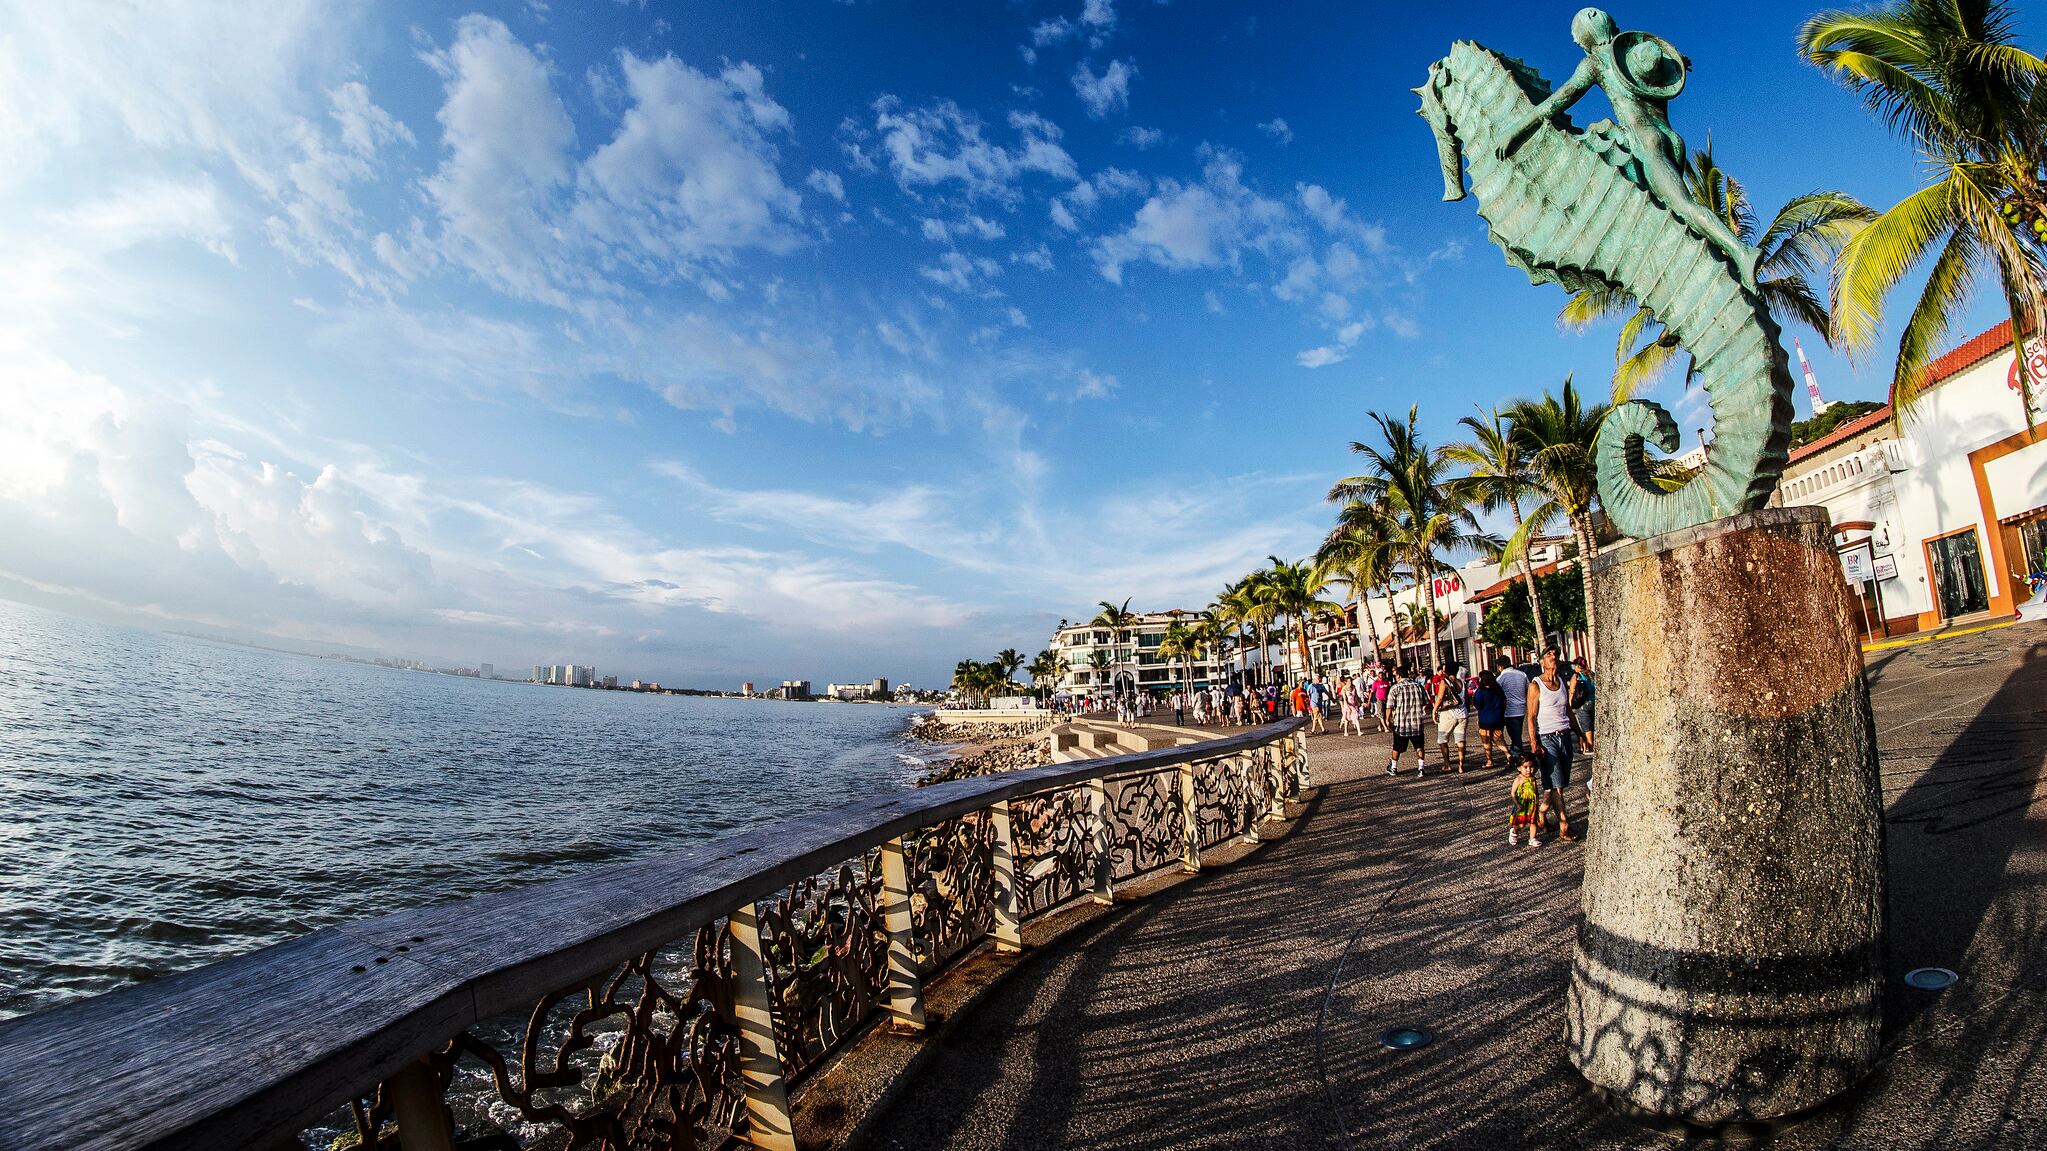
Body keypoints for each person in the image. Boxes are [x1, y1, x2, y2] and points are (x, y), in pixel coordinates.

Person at [1525, 646, 1579, 842]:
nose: (1553, 657)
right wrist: (1533, 743)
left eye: (1555, 654)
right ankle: (1564, 826)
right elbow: (1530, 717)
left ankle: (1541, 814)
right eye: (1548, 655)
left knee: (1558, 785)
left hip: (1565, 736)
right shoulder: (1536, 685)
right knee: (1556, 786)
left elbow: (1569, 711)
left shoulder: (1562, 682)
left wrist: (1580, 734)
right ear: (1541, 661)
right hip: (1547, 739)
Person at [1384, 665, 1431, 778]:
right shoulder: (1418, 686)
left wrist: (1387, 720)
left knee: (1397, 747)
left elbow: (1389, 706)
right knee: (1419, 746)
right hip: (1417, 722)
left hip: (1401, 724)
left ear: (1399, 675)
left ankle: (1394, 767)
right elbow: (1426, 702)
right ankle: (1421, 768)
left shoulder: (1395, 688)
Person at [1431, 662, 1468, 772]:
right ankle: (1461, 765)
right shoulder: (1462, 682)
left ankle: (1447, 764)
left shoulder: (1444, 681)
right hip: (1462, 713)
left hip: (1449, 713)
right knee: (1460, 740)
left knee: (1442, 740)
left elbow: (1440, 698)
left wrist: (1434, 711)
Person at [1472, 668, 1507, 769]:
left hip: (1485, 719)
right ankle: (1508, 755)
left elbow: (1477, 704)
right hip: (1498, 718)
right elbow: (1504, 701)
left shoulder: (1481, 691)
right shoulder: (1498, 689)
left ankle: (1490, 760)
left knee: (1486, 741)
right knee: (1499, 739)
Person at [1496, 658, 1530, 762]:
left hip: (1509, 710)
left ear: (1500, 666)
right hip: (1521, 708)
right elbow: (1528, 688)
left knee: (1515, 735)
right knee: (1517, 732)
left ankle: (1517, 756)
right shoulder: (1522, 674)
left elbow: (1498, 693)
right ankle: (1516, 751)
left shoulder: (1501, 678)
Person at [1509, 756, 1542, 847]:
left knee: (1533, 821)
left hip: (1532, 805)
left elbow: (1535, 791)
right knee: (1521, 824)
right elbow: (1513, 793)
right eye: (1525, 767)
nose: (1529, 770)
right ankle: (1514, 832)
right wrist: (1517, 804)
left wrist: (1537, 801)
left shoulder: (1533, 778)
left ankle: (1532, 838)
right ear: (1519, 768)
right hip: (1522, 805)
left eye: (1531, 767)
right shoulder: (1519, 779)